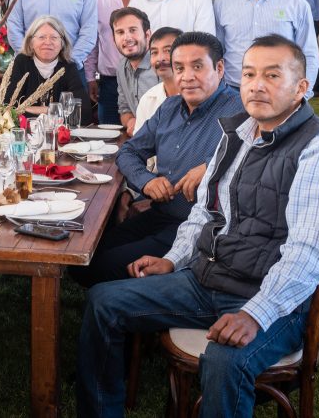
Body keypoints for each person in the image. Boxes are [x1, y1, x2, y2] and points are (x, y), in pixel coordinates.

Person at [77, 35, 319, 418]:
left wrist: (255, 314)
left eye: (273, 75)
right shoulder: (238, 132)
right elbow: (205, 214)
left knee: (225, 360)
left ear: (301, 88)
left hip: (273, 302)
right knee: (104, 301)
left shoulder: (318, 149)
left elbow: (307, 252)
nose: (257, 85)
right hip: (207, 280)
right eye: (251, 74)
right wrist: (173, 260)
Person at [73, 32, 243, 287]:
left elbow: (252, 157)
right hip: (159, 212)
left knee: (95, 266)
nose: (186, 77)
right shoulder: (170, 107)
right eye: (179, 68)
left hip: (197, 225)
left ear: (219, 68)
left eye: (197, 67)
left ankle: (127, 302)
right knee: (84, 249)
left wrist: (210, 166)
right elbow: (128, 152)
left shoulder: (241, 110)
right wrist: (147, 181)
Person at [84, 0, 153, 125]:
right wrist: (90, 77)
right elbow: (93, 40)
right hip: (109, 82)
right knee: (110, 137)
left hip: (151, 79)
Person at [3, 15, 93, 125]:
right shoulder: (21, 63)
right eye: (41, 37)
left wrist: (41, 110)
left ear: (62, 43)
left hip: (60, 137)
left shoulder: (68, 66)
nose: (48, 42)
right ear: (31, 42)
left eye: (54, 38)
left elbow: (84, 113)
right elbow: (7, 107)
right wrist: (57, 112)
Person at [109, 7, 158, 135]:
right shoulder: (121, 68)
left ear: (147, 35)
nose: (127, 37)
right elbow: (124, 109)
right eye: (120, 32)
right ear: (114, 40)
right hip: (139, 141)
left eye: (132, 30)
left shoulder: (161, 65)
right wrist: (131, 121)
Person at [134, 26, 183, 132]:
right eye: (154, 52)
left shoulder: (197, 96)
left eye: (168, 50)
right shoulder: (148, 99)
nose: (160, 58)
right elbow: (138, 144)